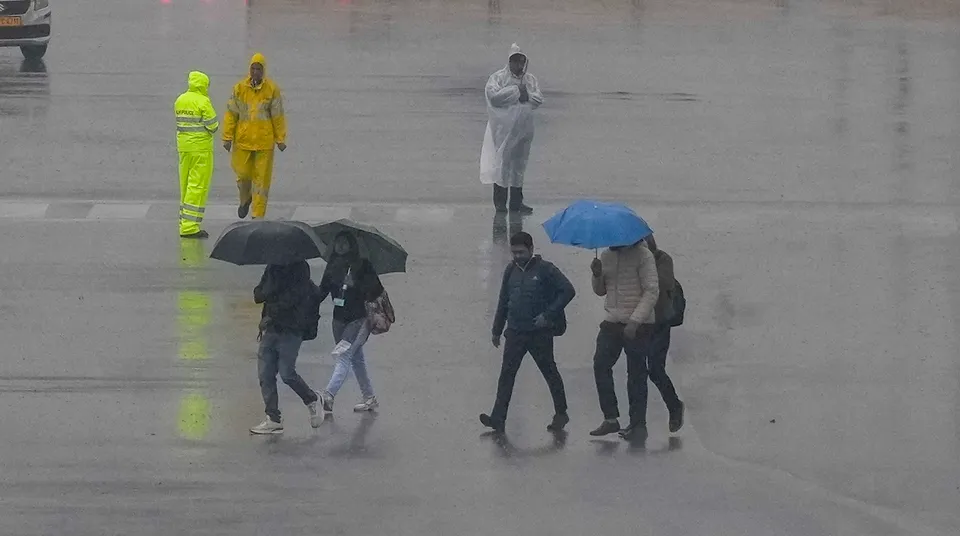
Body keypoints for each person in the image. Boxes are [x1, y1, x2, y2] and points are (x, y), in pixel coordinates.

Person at [480, 232, 575, 433]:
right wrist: (497, 330)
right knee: (507, 375)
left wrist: (548, 315)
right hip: (515, 332)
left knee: (549, 372)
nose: (517, 256)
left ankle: (561, 413)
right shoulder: (510, 270)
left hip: (539, 333)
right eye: (514, 252)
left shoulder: (546, 269)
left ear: (531, 249)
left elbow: (568, 290)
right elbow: (503, 301)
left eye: (521, 252)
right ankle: (498, 418)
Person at [589, 239, 660, 439]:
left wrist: (635, 321)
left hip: (639, 324)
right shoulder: (606, 256)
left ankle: (638, 425)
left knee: (636, 373)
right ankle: (610, 418)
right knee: (600, 364)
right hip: (612, 320)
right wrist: (596, 275)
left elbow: (652, 290)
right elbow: (601, 290)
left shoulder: (643, 255)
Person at [316, 232, 385, 413]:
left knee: (344, 356)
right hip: (338, 320)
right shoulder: (332, 265)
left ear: (352, 245)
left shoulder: (362, 265)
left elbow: (375, 290)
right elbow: (322, 291)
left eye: (344, 242)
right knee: (356, 358)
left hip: (359, 319)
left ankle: (329, 395)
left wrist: (356, 284)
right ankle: (369, 397)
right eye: (337, 242)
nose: (340, 246)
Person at [249, 261, 321, 434]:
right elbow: (258, 294)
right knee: (265, 374)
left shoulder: (300, 268)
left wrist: (271, 309)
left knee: (287, 373)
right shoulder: (272, 267)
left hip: (292, 329)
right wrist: (268, 290)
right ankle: (273, 418)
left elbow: (293, 299)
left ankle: (312, 399)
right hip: (271, 328)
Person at [480, 43, 543, 214]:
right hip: (504, 131)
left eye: (521, 61)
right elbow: (493, 97)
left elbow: (538, 99)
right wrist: (516, 91)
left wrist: (526, 94)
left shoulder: (530, 80)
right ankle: (500, 203)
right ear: (509, 61)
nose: (518, 65)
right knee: (502, 164)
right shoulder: (498, 78)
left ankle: (516, 202)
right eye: (515, 61)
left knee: (520, 165)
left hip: (525, 129)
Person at [223, 53, 287, 220]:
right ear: (249, 69)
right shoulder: (239, 89)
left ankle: (257, 215)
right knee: (242, 174)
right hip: (243, 142)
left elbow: (278, 116)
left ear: (263, 71)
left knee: (261, 182)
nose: (255, 72)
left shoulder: (272, 90)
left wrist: (280, 138)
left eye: (259, 69)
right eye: (253, 68)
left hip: (264, 143)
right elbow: (231, 114)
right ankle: (245, 199)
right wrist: (227, 137)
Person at [631, 235, 684, 436]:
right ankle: (637, 422)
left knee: (654, 368)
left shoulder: (663, 259)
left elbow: (664, 284)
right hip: (637, 319)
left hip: (660, 321)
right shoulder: (630, 260)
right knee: (636, 371)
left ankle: (675, 406)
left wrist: (645, 267)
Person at [174, 71, 218, 239]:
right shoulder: (203, 101)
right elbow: (213, 125)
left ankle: (183, 222)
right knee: (197, 186)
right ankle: (190, 227)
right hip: (201, 149)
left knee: (185, 186)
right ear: (203, 85)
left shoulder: (180, 100)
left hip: (184, 148)